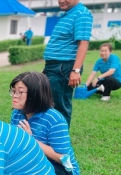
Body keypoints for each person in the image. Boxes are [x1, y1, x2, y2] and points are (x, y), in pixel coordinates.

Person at [9, 72, 80, 175]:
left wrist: (31, 140)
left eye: (20, 92)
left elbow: (62, 157)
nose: (14, 96)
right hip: (34, 161)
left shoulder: (54, 118)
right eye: (13, 91)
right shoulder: (17, 114)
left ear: (35, 94)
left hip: (61, 169)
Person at [43, 0, 93, 128]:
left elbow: (83, 43)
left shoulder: (81, 13)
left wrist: (75, 70)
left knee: (59, 107)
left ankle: (60, 144)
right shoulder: (68, 13)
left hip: (63, 67)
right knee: (47, 103)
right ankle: (50, 137)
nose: (61, 0)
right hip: (54, 67)